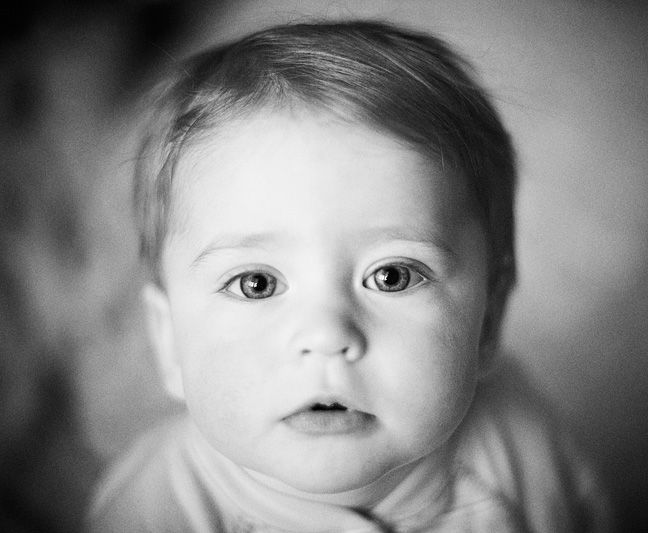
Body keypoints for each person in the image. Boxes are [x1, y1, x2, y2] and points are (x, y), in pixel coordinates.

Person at [88, 20, 609, 532]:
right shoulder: (153, 509)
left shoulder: (522, 449)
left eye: (392, 276)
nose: (327, 335)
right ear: (169, 341)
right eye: (256, 283)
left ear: (488, 319)